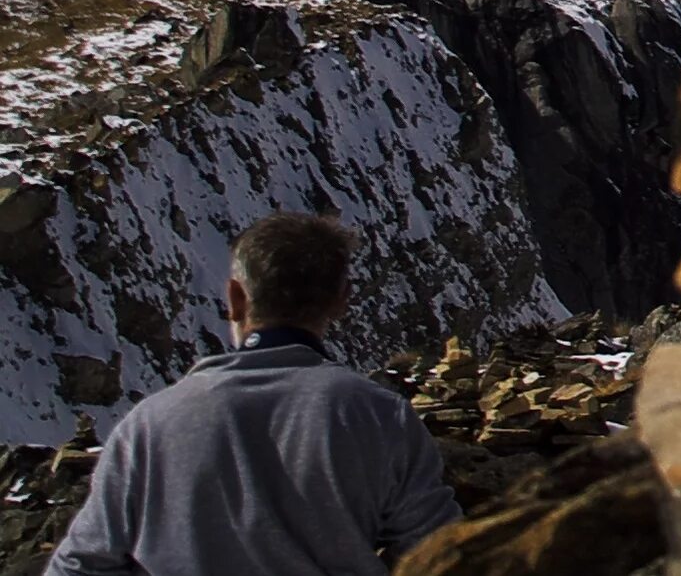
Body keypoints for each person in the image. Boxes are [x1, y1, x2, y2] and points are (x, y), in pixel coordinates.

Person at [49, 212, 459, 575]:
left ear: (236, 299)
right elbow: (443, 557)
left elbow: (80, 565)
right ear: (340, 302)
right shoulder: (381, 417)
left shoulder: (149, 425)